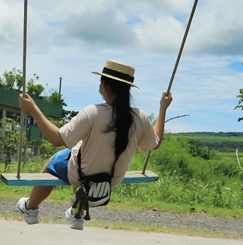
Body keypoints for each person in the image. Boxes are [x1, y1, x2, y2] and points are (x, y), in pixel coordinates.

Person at [17, 59, 172, 230]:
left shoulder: (93, 112)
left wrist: (33, 109)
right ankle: (77, 214)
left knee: (57, 161)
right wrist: (162, 108)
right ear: (127, 89)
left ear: (104, 85)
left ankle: (30, 209)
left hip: (81, 175)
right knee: (88, 165)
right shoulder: (139, 117)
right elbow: (154, 143)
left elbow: (57, 139)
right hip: (112, 180)